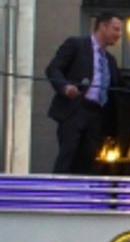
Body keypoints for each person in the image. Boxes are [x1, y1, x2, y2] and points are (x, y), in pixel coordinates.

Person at [45, 12, 123, 174]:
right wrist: (65, 87)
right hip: (75, 109)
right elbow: (53, 68)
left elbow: (117, 90)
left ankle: (82, 195)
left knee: (89, 159)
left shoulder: (110, 60)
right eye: (116, 29)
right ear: (103, 26)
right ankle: (59, 193)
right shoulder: (77, 45)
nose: (119, 34)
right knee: (69, 153)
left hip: (97, 114)